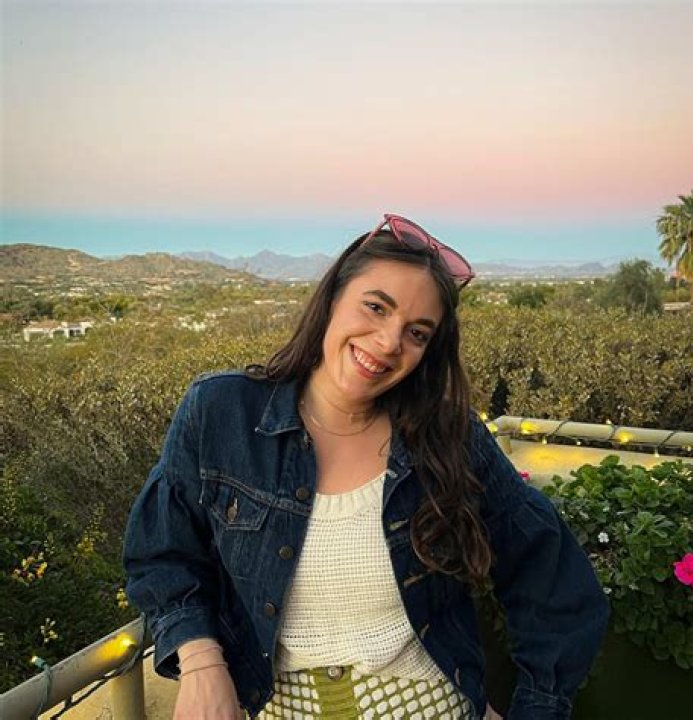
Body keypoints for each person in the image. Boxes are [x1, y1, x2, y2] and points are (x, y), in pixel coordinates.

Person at [123, 214, 609, 720]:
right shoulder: (221, 412)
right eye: (376, 307)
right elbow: (161, 552)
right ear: (333, 296)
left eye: (417, 333)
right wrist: (201, 663)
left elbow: (553, 579)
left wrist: (538, 707)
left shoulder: (448, 436)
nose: (389, 342)